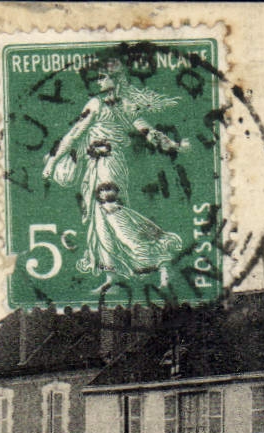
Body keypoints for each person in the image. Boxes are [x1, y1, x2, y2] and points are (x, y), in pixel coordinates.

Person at [42, 59, 186, 284]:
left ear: (115, 79)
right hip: (107, 167)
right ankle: (111, 278)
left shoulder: (96, 104)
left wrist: (52, 162)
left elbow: (74, 135)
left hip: (106, 168)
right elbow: (149, 133)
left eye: (102, 77)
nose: (98, 81)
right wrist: (174, 145)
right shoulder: (126, 105)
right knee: (101, 220)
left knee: (111, 214)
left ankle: (158, 259)